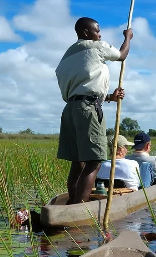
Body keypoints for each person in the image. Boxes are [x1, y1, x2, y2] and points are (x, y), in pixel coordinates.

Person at [56, 16, 133, 205]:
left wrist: (108, 97)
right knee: (94, 161)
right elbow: (121, 55)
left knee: (78, 161)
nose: (100, 34)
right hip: (88, 109)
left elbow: (81, 87)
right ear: (85, 33)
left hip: (70, 109)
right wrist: (128, 37)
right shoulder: (96, 47)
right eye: (97, 30)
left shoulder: (67, 56)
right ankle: (79, 208)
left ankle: (73, 203)